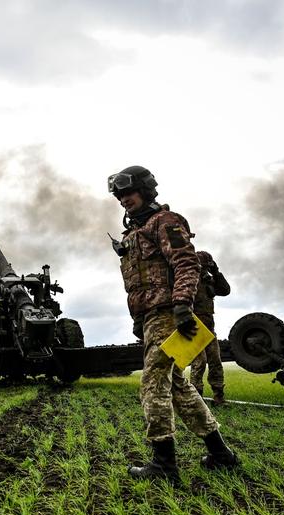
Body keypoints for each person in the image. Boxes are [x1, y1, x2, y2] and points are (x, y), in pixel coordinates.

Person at [108, 165, 238, 479]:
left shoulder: (164, 222)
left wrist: (181, 306)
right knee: (178, 386)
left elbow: (186, 262)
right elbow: (139, 283)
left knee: (153, 384)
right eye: (120, 196)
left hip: (169, 314)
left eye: (130, 193)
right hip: (153, 317)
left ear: (146, 190)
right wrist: (139, 320)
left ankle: (164, 465)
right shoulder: (134, 233)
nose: (125, 200)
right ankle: (221, 454)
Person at [189, 250, 231, 404]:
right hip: (195, 327)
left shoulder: (209, 279)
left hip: (209, 328)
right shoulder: (189, 281)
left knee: (215, 361)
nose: (204, 270)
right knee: (199, 362)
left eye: (207, 267)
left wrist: (216, 272)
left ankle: (219, 396)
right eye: (203, 267)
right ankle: (197, 398)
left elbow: (225, 290)